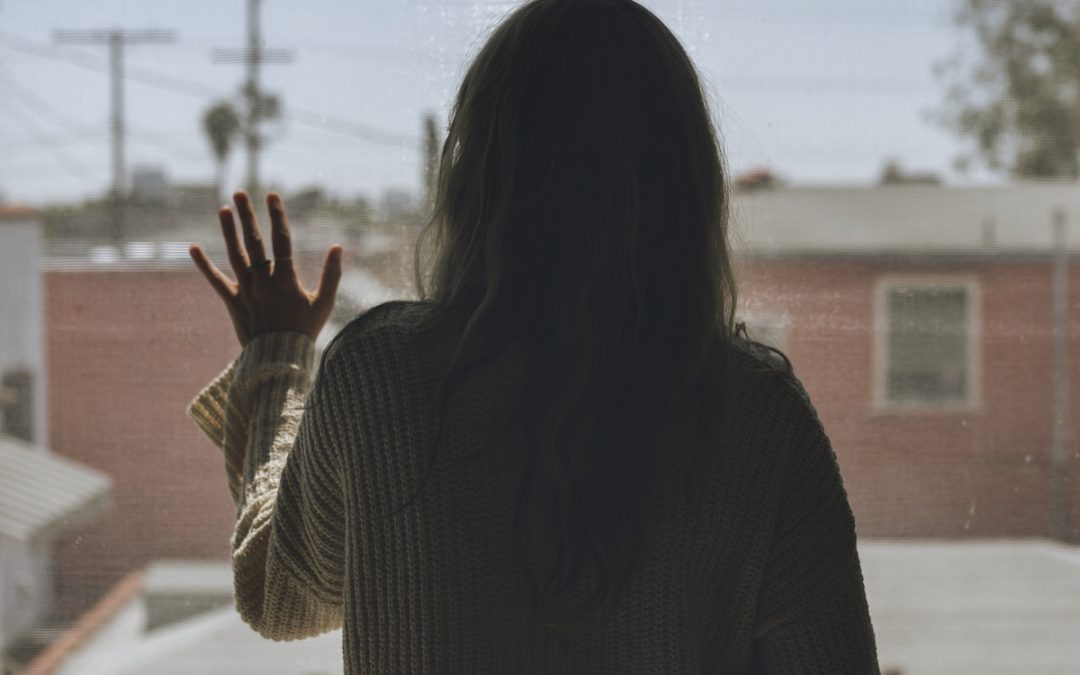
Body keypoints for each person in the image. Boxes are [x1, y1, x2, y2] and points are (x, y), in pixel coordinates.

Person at [186, 0, 880, 672]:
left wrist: (277, 355)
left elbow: (277, 595)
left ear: (475, 175)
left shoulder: (381, 376)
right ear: (690, 183)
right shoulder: (760, 414)